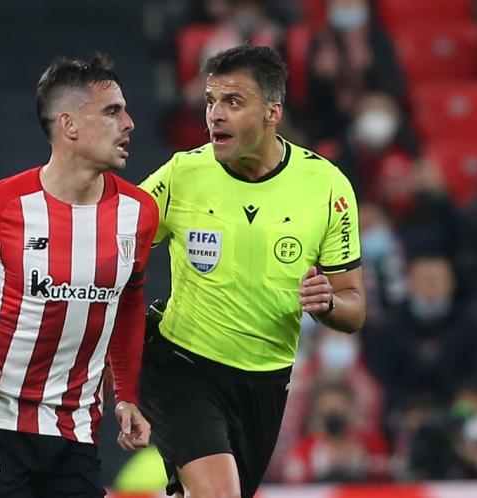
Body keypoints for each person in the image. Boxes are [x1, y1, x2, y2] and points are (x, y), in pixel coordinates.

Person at [0, 55, 158, 498]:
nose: (129, 123)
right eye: (111, 111)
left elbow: (126, 308)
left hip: (75, 425)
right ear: (69, 125)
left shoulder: (138, 213)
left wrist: (125, 395)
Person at [139, 44, 366, 498]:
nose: (214, 116)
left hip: (266, 382)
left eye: (233, 102)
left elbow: (354, 307)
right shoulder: (182, 174)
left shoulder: (326, 186)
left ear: (272, 112)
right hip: (181, 364)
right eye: (210, 101)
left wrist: (328, 304)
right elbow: (115, 242)